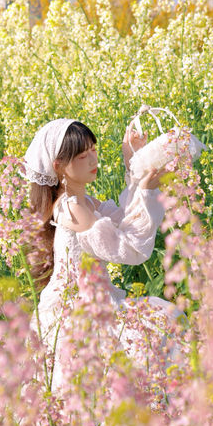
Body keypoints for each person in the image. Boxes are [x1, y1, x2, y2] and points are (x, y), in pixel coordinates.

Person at [23, 117, 178, 392]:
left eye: (94, 149)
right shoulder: (71, 210)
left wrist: (135, 163)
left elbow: (127, 222)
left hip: (96, 298)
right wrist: (143, 189)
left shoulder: (89, 204)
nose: (93, 159)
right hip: (77, 309)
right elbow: (128, 248)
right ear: (59, 166)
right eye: (83, 155)